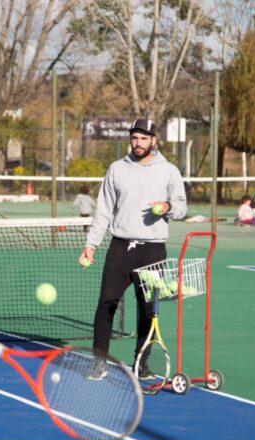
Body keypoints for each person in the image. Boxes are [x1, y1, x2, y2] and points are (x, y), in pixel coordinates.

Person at [78, 118, 187, 378]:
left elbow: (182, 207)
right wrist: (90, 244)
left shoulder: (169, 171)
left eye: (143, 138)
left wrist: (168, 207)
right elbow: (103, 211)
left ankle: (142, 363)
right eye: (134, 138)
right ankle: (99, 363)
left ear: (153, 140)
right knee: (105, 305)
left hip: (152, 251)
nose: (138, 143)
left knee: (149, 311)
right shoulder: (116, 169)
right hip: (120, 249)